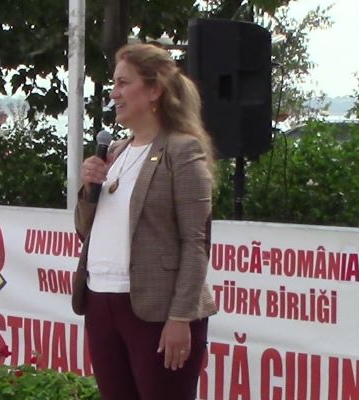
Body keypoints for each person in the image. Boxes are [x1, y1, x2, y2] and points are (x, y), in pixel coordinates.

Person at [72, 43, 217, 400]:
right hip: (101, 301)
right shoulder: (115, 151)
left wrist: (181, 317)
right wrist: (88, 189)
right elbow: (84, 229)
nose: (114, 93)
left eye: (124, 83)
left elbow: (196, 241)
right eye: (114, 83)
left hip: (157, 310)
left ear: (154, 90)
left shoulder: (182, 150)